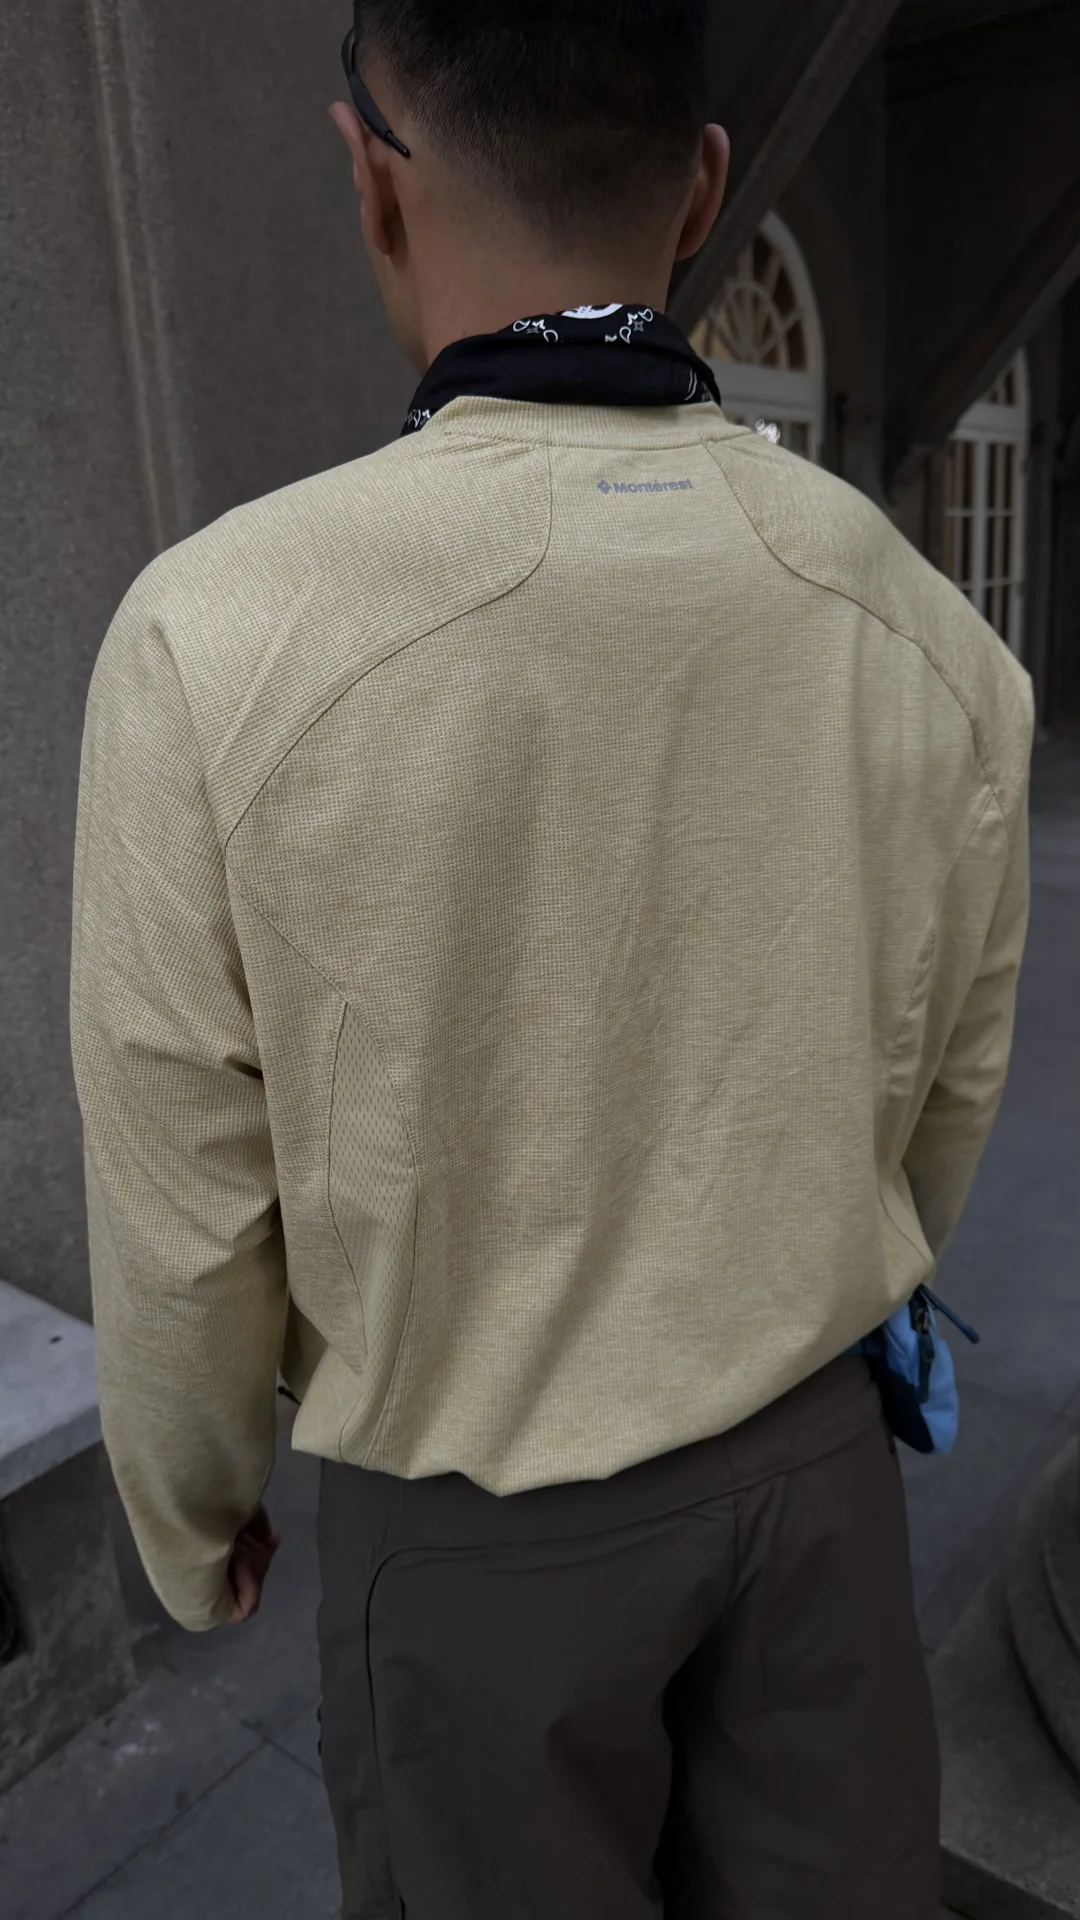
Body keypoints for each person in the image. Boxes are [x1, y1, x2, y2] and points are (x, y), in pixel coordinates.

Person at [69, 3, 1034, 1916]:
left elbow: (180, 1196)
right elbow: (947, 1090)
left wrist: (191, 1514)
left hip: (476, 1534)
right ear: (701, 188)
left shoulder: (218, 635)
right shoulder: (926, 633)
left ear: (369, 175)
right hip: (817, 1480)